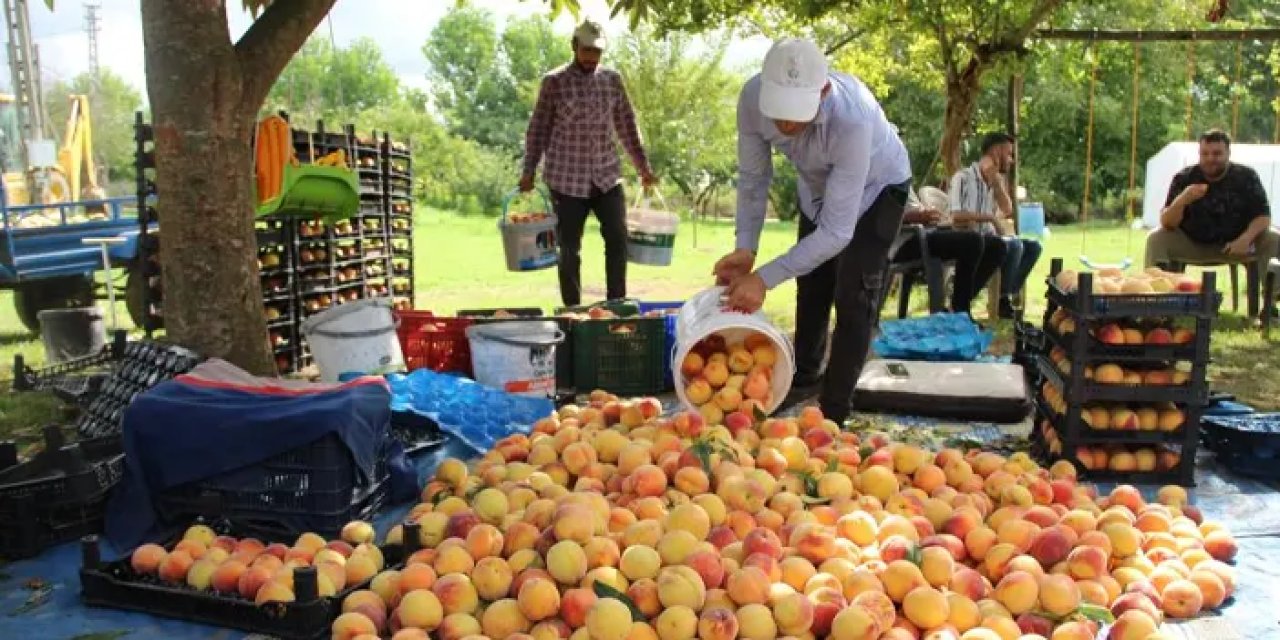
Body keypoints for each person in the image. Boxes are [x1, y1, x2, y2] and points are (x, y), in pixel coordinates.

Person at [713, 38, 912, 424]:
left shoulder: (852, 120)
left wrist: (763, 278)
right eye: (779, 111)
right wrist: (746, 248)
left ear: (822, 92)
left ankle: (834, 410)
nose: (787, 124)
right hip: (818, 188)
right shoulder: (751, 99)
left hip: (880, 187)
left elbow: (837, 233)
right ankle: (804, 377)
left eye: (796, 113)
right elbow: (754, 178)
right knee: (813, 282)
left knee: (854, 293)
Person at [520, 19, 658, 307]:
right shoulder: (555, 82)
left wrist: (643, 168)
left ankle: (616, 306)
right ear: (574, 47)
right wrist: (529, 170)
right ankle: (573, 310)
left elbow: (627, 126)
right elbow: (539, 129)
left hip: (606, 176)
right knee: (568, 249)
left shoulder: (612, 80)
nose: (591, 58)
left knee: (618, 239)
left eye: (597, 52)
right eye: (586, 51)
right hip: (566, 180)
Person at [1145, 129, 1278, 316]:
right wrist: (1182, 200)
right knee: (1156, 238)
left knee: (1272, 237)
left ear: (1228, 153)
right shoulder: (1185, 178)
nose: (1210, 159)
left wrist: (1246, 238)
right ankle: (1155, 305)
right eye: (1205, 154)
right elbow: (1167, 224)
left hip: (1236, 245)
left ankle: (1270, 305)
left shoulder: (1246, 176)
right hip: (1193, 243)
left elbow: (1263, 216)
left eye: (1217, 154)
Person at [948, 131, 1040, 318]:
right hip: (971, 239)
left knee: (1033, 247)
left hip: (991, 237)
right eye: (1009, 154)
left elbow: (1007, 209)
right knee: (1014, 245)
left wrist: (997, 184)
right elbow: (956, 216)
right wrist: (990, 218)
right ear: (997, 152)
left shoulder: (994, 180)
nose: (1011, 160)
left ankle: (1003, 295)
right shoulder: (962, 178)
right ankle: (1000, 300)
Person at [893, 185, 1006, 315]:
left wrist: (929, 215)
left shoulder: (902, 178)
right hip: (903, 240)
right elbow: (878, 215)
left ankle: (955, 307)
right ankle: (960, 312)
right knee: (972, 241)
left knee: (996, 246)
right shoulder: (882, 177)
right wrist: (916, 217)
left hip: (926, 232)